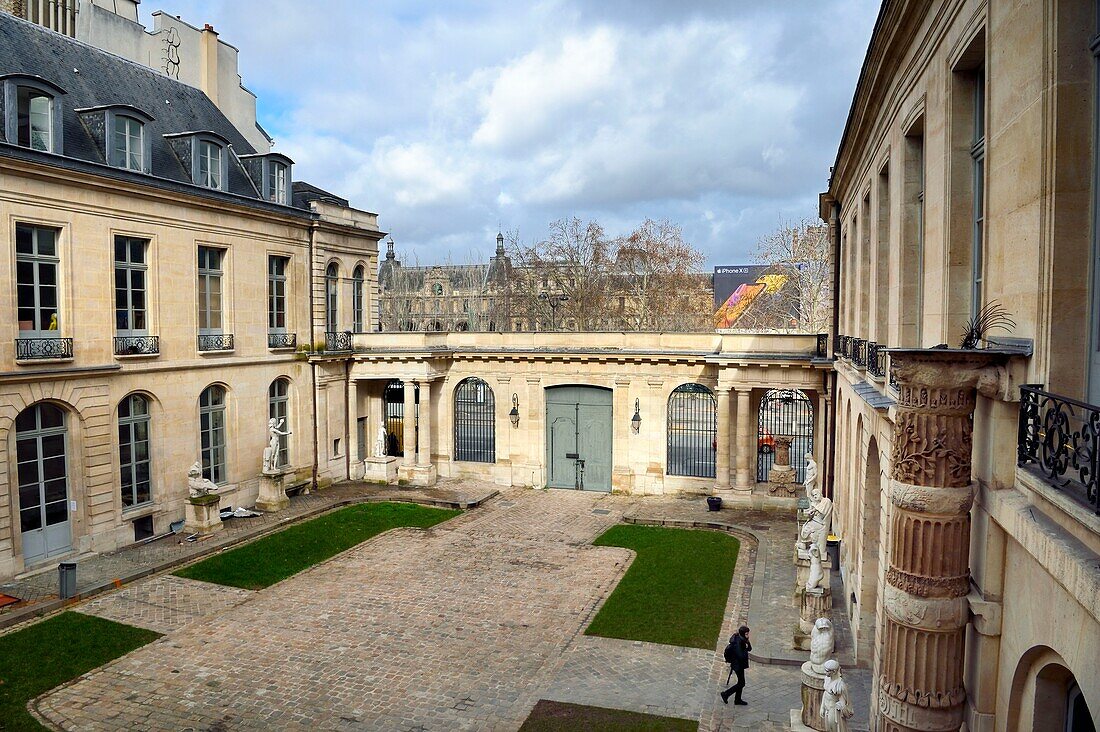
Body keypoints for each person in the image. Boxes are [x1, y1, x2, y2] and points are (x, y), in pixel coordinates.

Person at [720, 625, 751, 705]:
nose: (748, 635)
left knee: (741, 682)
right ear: (743, 634)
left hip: (740, 664)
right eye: (747, 634)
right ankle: (726, 694)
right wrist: (745, 648)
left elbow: (750, 649)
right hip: (738, 665)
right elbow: (740, 655)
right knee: (741, 683)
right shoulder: (738, 642)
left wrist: (747, 642)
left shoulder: (742, 640)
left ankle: (737, 700)